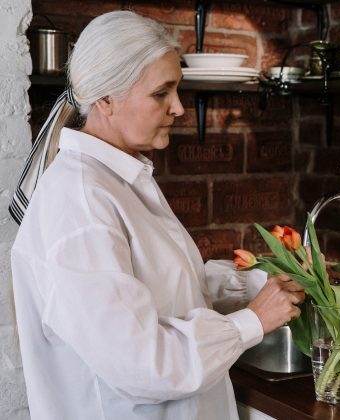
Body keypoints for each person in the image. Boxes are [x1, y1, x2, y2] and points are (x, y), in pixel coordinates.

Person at [10, 10, 304, 420]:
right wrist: (251, 321)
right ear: (107, 99)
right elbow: (142, 362)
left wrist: (258, 282)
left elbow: (170, 286)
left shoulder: (117, 178)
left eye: (177, 90)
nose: (179, 108)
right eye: (161, 93)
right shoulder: (80, 201)